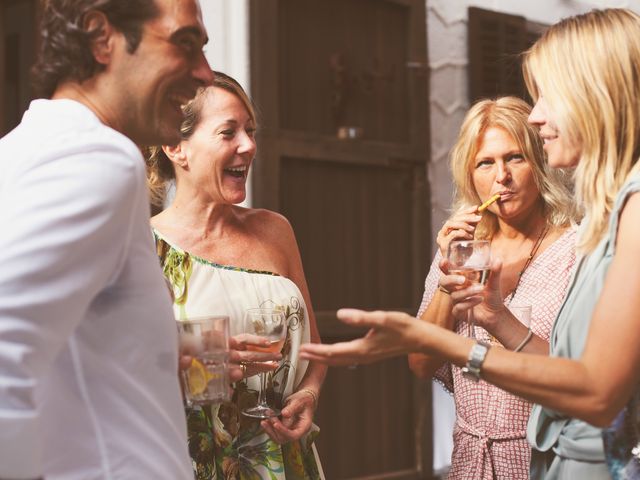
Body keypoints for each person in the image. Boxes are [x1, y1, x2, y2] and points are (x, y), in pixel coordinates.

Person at [301, 8, 640, 480]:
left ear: (595, 94)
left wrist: (441, 341)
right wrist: (484, 314)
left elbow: (599, 392)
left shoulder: (613, 221)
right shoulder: (468, 249)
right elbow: (431, 365)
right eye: (485, 164)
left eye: (546, 96)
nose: (538, 115)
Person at [0, 0, 214, 478]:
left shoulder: (21, 149)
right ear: (101, 38)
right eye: (185, 43)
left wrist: (157, 347)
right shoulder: (100, 158)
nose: (205, 72)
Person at [146, 71, 327, 479]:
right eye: (229, 132)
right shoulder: (142, 247)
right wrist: (206, 366)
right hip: (192, 461)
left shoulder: (275, 230)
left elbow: (314, 348)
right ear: (176, 146)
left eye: (250, 131)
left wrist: (309, 393)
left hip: (283, 458)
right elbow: (123, 375)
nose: (249, 145)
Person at [409, 96, 577, 479]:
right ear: (471, 175)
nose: (501, 176)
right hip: (471, 464)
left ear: (540, 162)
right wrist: (447, 281)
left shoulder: (576, 250)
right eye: (485, 163)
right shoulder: (462, 250)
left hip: (545, 460)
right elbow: (419, 363)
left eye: (514, 158)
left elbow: (584, 376)